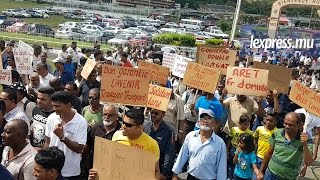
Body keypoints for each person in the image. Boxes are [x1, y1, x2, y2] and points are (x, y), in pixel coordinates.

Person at [88, 108, 161, 180]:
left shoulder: (151, 144)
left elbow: (156, 172)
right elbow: (110, 162)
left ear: (139, 127)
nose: (123, 126)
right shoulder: (117, 136)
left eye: (128, 125)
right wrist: (98, 174)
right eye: (123, 122)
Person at [172, 108, 227, 180]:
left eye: (209, 118)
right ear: (198, 121)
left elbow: (222, 167)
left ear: (214, 123)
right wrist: (175, 174)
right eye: (203, 118)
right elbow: (182, 156)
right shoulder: (190, 136)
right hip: (191, 177)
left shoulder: (220, 143)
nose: (205, 121)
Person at [257, 112, 313, 180]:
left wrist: (305, 145)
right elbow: (268, 153)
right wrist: (261, 171)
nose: (286, 126)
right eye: (285, 123)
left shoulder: (306, 139)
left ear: (299, 125)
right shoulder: (277, 133)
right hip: (270, 175)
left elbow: (309, 162)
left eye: (290, 125)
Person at [44, 91, 87, 179]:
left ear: (68, 105)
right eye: (53, 106)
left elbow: (79, 149)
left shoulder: (81, 122)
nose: (54, 109)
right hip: (53, 171)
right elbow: (47, 142)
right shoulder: (51, 118)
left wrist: (62, 137)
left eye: (57, 106)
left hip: (70, 172)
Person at [84, 103, 121, 172]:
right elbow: (87, 147)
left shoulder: (121, 132)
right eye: (105, 114)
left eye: (110, 115)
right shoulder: (95, 128)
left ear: (116, 116)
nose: (107, 117)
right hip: (93, 168)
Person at [148, 108, 175, 180]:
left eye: (156, 113)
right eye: (152, 112)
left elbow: (169, 153)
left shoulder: (169, 131)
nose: (153, 115)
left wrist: (164, 173)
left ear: (163, 115)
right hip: (145, 165)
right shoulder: (145, 126)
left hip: (159, 167)